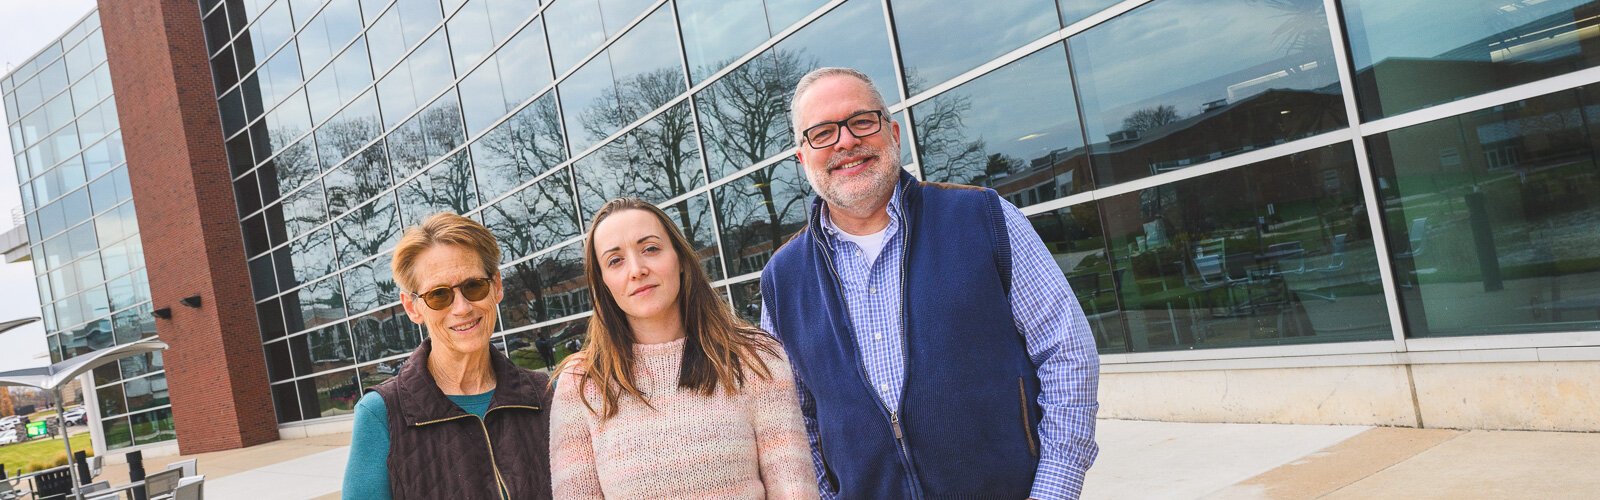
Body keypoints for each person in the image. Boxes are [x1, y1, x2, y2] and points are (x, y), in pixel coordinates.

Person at [759, 67, 1101, 499]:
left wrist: (1055, 489)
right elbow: (792, 416)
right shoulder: (782, 278)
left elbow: (1067, 352)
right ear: (802, 157)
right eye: (823, 132)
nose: (845, 141)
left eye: (862, 121)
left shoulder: (984, 218)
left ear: (893, 132)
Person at [549, 198, 818, 499]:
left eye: (650, 248)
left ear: (679, 258)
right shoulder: (582, 384)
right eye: (616, 260)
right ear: (603, 283)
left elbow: (795, 491)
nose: (637, 270)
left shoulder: (755, 359)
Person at [343, 212, 552, 500]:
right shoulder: (380, 414)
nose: (462, 308)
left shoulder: (546, 396)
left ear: (497, 286)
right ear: (413, 307)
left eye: (474, 286)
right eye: (439, 295)